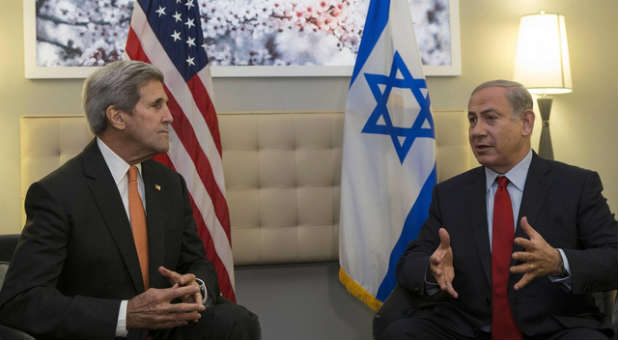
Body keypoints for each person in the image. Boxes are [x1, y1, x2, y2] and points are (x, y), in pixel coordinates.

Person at [0, 60, 260, 339]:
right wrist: (126, 315)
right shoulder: (58, 193)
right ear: (117, 117)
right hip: (102, 331)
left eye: (167, 105)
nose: (169, 117)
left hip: (167, 329)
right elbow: (21, 301)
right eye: (155, 105)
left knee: (237, 321)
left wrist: (195, 285)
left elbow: (197, 261)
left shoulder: (170, 183)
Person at [384, 80, 617, 339]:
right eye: (472, 120)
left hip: (553, 328)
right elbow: (410, 262)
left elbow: (613, 256)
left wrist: (558, 262)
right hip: (467, 328)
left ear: (526, 123)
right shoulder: (450, 193)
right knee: (402, 333)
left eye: (490, 118)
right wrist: (431, 268)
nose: (476, 131)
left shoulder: (575, 185)